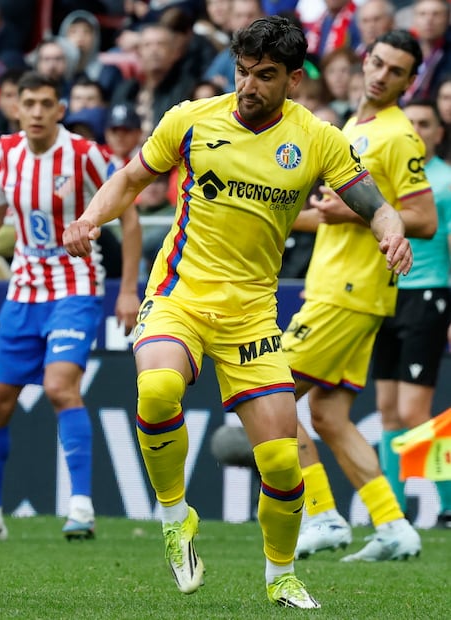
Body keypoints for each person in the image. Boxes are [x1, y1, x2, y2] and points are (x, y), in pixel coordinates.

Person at [62, 16, 412, 608]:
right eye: (243, 72)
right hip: (180, 294)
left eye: (265, 76)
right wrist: (90, 218)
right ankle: (176, 519)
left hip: (252, 315)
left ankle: (281, 577)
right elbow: (129, 178)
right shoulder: (191, 120)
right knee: (157, 391)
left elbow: (375, 203)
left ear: (295, 81)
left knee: (280, 462)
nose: (249, 86)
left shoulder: (319, 138)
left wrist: (392, 231)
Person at [0, 71, 141, 543]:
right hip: (23, 287)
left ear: (59, 110)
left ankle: (81, 508)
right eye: (27, 102)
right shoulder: (6, 152)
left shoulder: (84, 154)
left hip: (75, 284)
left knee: (59, 387)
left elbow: (129, 219)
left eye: (45, 103)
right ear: (17, 108)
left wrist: (129, 289)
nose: (35, 111)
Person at [285, 30, 434, 562]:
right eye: (376, 63)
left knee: (268, 396)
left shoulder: (398, 135)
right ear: (363, 61)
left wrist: (349, 211)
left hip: (347, 293)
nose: (380, 75)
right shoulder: (353, 126)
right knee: (327, 415)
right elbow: (332, 217)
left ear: (409, 81)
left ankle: (322, 513)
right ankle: (395, 527)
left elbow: (423, 218)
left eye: (396, 71)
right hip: (342, 290)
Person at [373, 98, 451, 528]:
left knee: (412, 412)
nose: (418, 129)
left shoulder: (447, 180)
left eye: (426, 123)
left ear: (440, 132)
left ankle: (447, 504)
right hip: (385, 294)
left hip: (428, 294)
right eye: (411, 123)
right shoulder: (390, 178)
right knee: (386, 408)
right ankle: (394, 512)